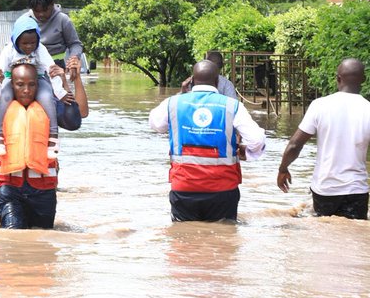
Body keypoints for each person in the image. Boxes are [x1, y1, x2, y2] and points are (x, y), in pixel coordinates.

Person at [148, 59, 266, 222]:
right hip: (223, 189)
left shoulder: (173, 103)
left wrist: (181, 95)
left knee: (184, 241)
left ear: (192, 81)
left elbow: (155, 124)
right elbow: (257, 139)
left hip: (184, 186)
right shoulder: (232, 105)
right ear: (218, 81)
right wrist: (247, 151)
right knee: (223, 241)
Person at [277, 58, 370, 219]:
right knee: (355, 239)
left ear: (338, 78)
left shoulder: (320, 105)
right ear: (364, 79)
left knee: (324, 237)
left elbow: (294, 145)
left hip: (325, 189)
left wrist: (283, 169)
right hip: (357, 190)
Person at [0, 63, 59, 229]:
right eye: (20, 84)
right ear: (12, 85)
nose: (26, 90)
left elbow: (77, 118)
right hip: (11, 189)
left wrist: (74, 80)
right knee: (12, 237)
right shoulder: (2, 109)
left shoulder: (50, 108)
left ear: (38, 84)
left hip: (44, 191)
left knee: (42, 242)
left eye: (32, 84)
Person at [0, 15, 66, 158]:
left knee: (47, 98)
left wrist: (61, 92)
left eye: (33, 43)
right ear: (16, 40)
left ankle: (53, 137)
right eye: (24, 43)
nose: (29, 47)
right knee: (4, 97)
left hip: (37, 80)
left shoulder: (40, 49)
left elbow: (51, 69)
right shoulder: (9, 50)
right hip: (12, 80)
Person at [24, 0, 85, 71]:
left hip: (57, 66)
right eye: (37, 11)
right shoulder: (24, 21)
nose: (41, 14)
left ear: (52, 5)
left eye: (45, 10)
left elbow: (75, 44)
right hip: (30, 66)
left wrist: (74, 58)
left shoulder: (63, 20)